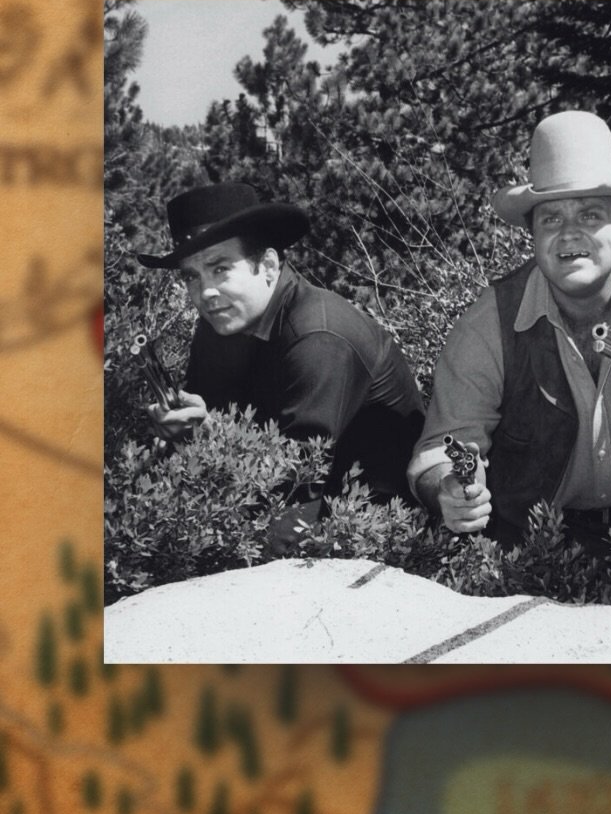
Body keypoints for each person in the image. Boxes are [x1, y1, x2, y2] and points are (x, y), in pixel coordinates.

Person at [408, 110, 611, 550]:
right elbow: (442, 446)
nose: (568, 235)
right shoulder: (489, 324)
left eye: (589, 215)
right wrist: (449, 485)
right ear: (531, 233)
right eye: (551, 219)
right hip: (533, 553)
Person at [137, 182, 425, 545]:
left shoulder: (319, 337)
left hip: (365, 540)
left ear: (269, 265)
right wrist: (182, 430)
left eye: (221, 268)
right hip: (277, 512)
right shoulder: (222, 322)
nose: (205, 292)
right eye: (192, 276)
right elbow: (206, 436)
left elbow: (298, 487)